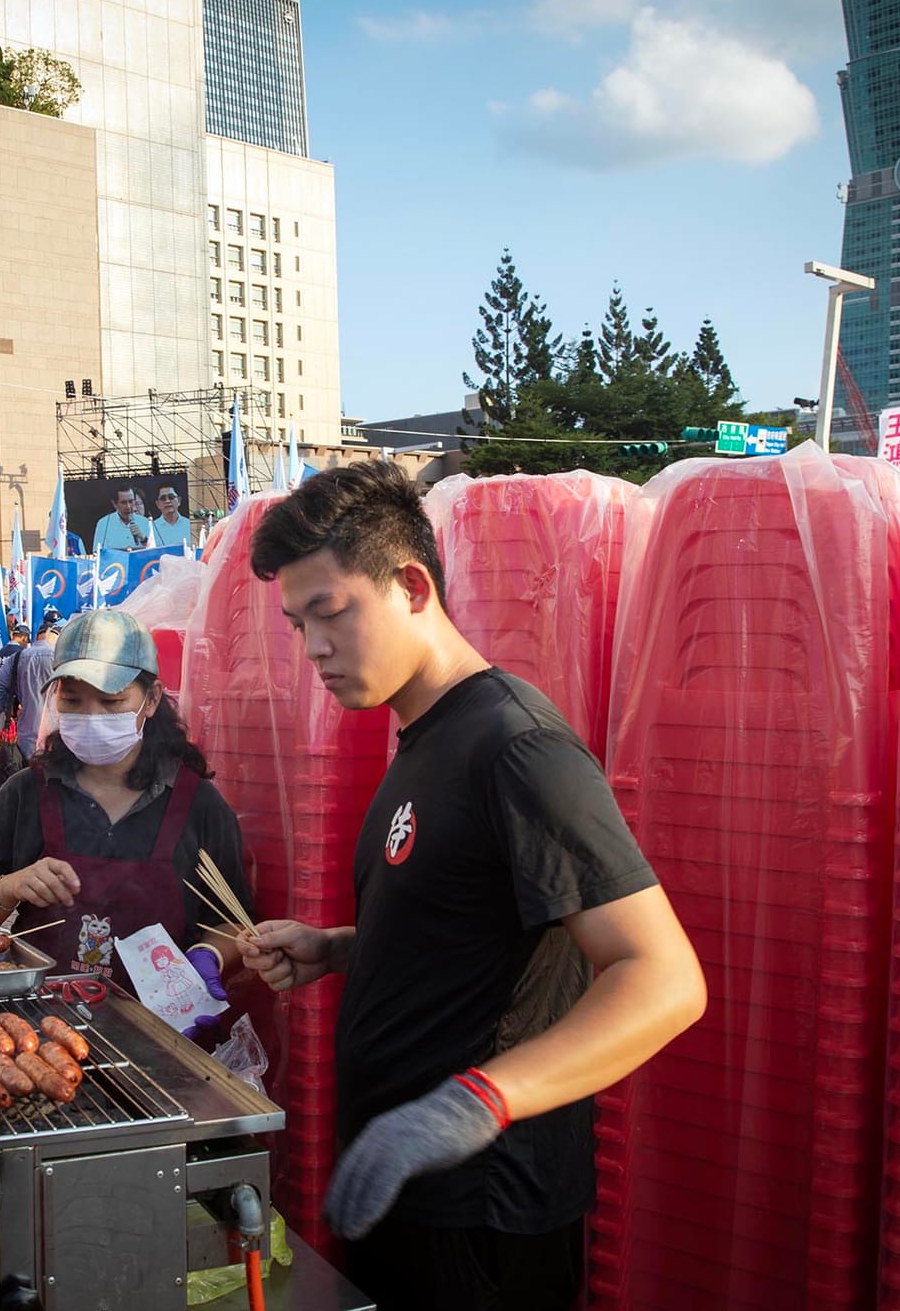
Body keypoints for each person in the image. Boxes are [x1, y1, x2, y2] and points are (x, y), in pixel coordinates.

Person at [237, 462, 706, 1311]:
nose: (313, 649)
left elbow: (664, 978)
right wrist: (338, 949)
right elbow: (476, 927)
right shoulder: (424, 740)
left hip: (486, 1215)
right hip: (403, 1193)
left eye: (331, 613)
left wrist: (476, 1101)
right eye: (298, 624)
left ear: (412, 586)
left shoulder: (516, 747)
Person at [0, 610, 249, 1006]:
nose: (92, 717)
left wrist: (210, 955)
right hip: (39, 1024)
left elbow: (235, 920)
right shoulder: (25, 794)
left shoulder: (198, 804)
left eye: (111, 701)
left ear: (152, 699)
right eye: (73, 700)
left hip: (163, 1027)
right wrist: (10, 886)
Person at [0, 608, 61, 759]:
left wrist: (11, 708)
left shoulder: (18, 657)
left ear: (37, 637)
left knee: (27, 773)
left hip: (26, 735)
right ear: (57, 636)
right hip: (56, 735)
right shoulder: (61, 658)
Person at [90, 485, 152, 553]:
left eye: (131, 501)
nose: (128, 507)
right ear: (114, 504)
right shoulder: (104, 524)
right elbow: (97, 553)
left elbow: (154, 551)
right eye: (123, 503)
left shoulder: (145, 522)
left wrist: (143, 539)